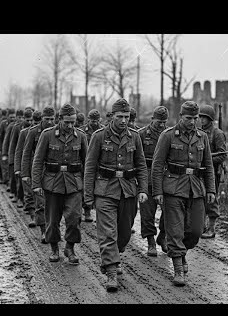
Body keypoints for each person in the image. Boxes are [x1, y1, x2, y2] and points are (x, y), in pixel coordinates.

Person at [84, 98, 148, 292]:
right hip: (105, 190)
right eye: (120, 116)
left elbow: (141, 165)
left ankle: (115, 255)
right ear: (112, 116)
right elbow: (90, 167)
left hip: (128, 190)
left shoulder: (134, 136)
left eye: (126, 117)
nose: (123, 120)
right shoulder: (99, 136)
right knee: (108, 233)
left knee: (125, 233)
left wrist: (143, 189)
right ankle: (111, 271)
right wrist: (88, 196)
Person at [152, 101, 216, 287]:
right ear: (181, 117)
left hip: (196, 189)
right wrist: (157, 191)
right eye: (189, 118)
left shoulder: (202, 137)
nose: (193, 122)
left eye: (195, 118)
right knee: (175, 229)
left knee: (195, 231)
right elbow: (157, 165)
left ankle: (181, 252)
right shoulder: (168, 135)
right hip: (173, 188)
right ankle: (178, 268)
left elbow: (209, 166)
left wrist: (211, 189)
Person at [32, 103, 88, 264]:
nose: (70, 126)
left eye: (73, 122)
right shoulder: (47, 135)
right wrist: (36, 184)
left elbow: (88, 162)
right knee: (52, 219)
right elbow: (38, 161)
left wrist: (88, 187)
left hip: (74, 183)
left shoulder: (81, 136)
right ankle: (54, 248)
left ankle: (70, 248)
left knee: (74, 217)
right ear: (59, 119)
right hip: (52, 183)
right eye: (67, 122)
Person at [22, 106, 57, 242]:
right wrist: (25, 174)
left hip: (53, 172)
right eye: (47, 119)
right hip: (37, 171)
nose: (49, 122)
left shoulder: (55, 131)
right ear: (41, 118)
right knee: (40, 203)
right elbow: (25, 154)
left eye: (52, 119)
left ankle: (52, 228)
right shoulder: (33, 132)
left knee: (53, 204)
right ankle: (44, 231)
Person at [138, 106, 169, 256]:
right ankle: (151, 241)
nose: (162, 125)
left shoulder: (169, 135)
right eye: (159, 122)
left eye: (164, 122)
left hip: (165, 179)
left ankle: (162, 236)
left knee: (169, 211)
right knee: (147, 212)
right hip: (147, 178)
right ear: (152, 120)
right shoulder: (142, 135)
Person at [199, 104, 228, 239]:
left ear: (210, 119)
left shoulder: (217, 134)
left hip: (212, 172)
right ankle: (201, 226)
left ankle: (211, 228)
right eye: (201, 117)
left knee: (211, 199)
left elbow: (222, 155)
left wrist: (207, 158)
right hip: (199, 172)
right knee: (198, 198)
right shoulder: (198, 131)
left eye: (205, 117)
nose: (202, 120)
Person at [81, 109, 104, 222]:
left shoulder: (104, 130)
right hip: (86, 162)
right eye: (92, 121)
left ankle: (100, 212)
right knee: (86, 185)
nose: (94, 123)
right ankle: (87, 210)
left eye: (96, 121)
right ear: (88, 120)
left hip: (100, 164)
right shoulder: (82, 131)